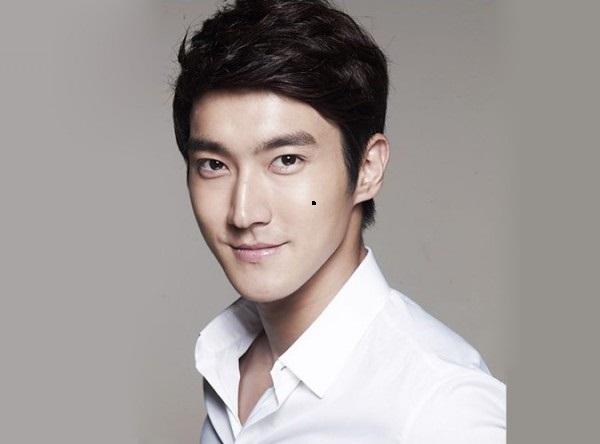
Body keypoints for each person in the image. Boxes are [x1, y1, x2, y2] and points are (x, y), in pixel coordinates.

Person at [171, 0, 506, 442]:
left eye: (286, 160)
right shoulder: (227, 365)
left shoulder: (443, 407)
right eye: (214, 165)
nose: (244, 212)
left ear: (367, 169)